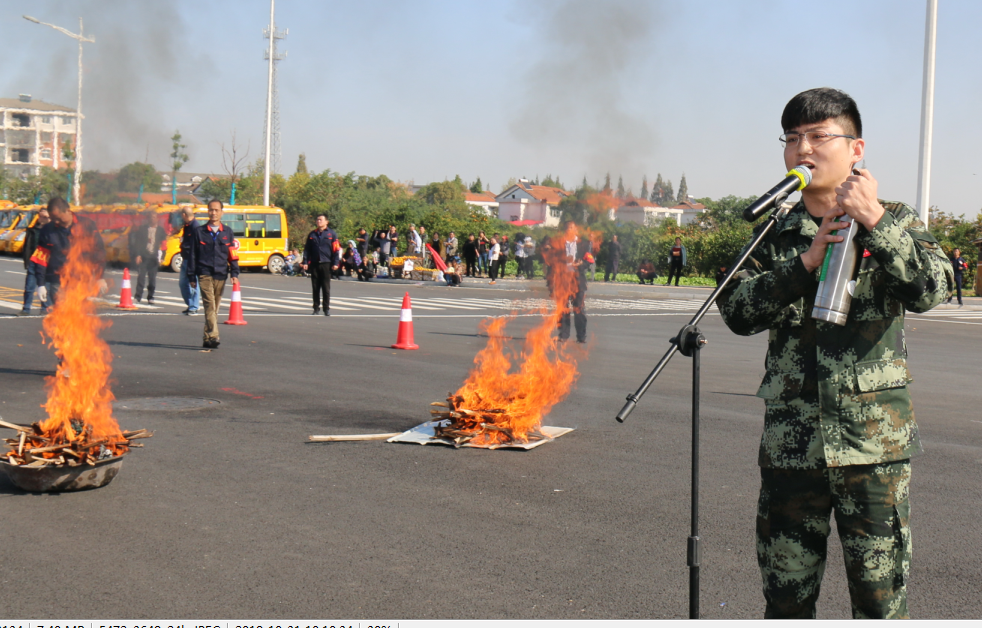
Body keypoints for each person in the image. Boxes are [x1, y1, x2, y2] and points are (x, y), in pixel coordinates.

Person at [717, 88, 952, 619]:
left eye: (819, 136)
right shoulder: (774, 232)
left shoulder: (896, 218)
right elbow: (736, 310)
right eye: (793, 138)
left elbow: (933, 288)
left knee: (879, 602)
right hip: (792, 446)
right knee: (785, 599)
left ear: (855, 148)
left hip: (873, 447)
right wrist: (805, 262)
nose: (804, 149)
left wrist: (876, 224)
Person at [32, 197, 108, 308]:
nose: (56, 222)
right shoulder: (47, 230)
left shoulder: (87, 225)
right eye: (53, 219)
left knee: (78, 313)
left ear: (68, 211)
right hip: (57, 280)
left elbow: (98, 251)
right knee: (62, 312)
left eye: (58, 218)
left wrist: (99, 277)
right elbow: (41, 258)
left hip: (81, 279)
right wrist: (41, 284)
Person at [186, 200, 240, 349]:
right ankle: (214, 335)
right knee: (209, 305)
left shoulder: (227, 232)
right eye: (211, 210)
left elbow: (233, 254)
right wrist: (191, 276)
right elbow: (193, 255)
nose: (213, 213)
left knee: (214, 308)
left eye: (216, 210)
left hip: (221, 274)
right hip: (204, 273)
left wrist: (235, 272)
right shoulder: (199, 232)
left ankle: (207, 337)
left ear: (222, 212)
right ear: (207, 211)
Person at [301, 214, 341, 316]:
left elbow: (336, 250)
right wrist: (305, 262)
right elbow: (307, 250)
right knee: (315, 287)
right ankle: (316, 308)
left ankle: (326, 308)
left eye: (321, 220)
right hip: (315, 263)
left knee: (326, 287)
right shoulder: (312, 234)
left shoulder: (331, 234)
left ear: (326, 222)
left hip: (326, 263)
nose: (318, 221)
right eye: (317, 219)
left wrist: (336, 263)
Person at [558, 222, 589, 343]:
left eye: (572, 228)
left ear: (576, 229)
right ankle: (564, 335)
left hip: (577, 281)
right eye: (567, 227)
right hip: (563, 280)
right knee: (563, 308)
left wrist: (581, 265)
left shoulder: (583, 244)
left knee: (579, 308)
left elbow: (589, 261)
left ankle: (581, 336)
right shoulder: (559, 243)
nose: (569, 230)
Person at [17, 206, 51, 316]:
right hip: (33, 260)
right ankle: (26, 309)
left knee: (45, 286)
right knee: (29, 287)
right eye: (41, 216)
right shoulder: (33, 230)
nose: (43, 219)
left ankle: (45, 309)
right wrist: (26, 260)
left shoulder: (53, 231)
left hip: (46, 262)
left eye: (46, 217)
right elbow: (27, 246)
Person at [128, 212, 166, 305]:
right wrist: (138, 255)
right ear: (148, 219)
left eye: (154, 217)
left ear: (157, 219)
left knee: (152, 279)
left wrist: (162, 257)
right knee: (141, 277)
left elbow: (164, 245)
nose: (152, 219)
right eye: (151, 217)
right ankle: (138, 297)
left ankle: (151, 296)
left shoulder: (161, 230)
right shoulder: (143, 229)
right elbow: (138, 243)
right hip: (144, 257)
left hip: (154, 258)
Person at [178, 206, 201, 314]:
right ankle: (190, 304)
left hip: (193, 259)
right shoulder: (187, 226)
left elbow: (197, 245)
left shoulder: (195, 227)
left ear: (184, 215)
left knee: (194, 283)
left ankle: (194, 307)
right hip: (186, 258)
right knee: (183, 283)